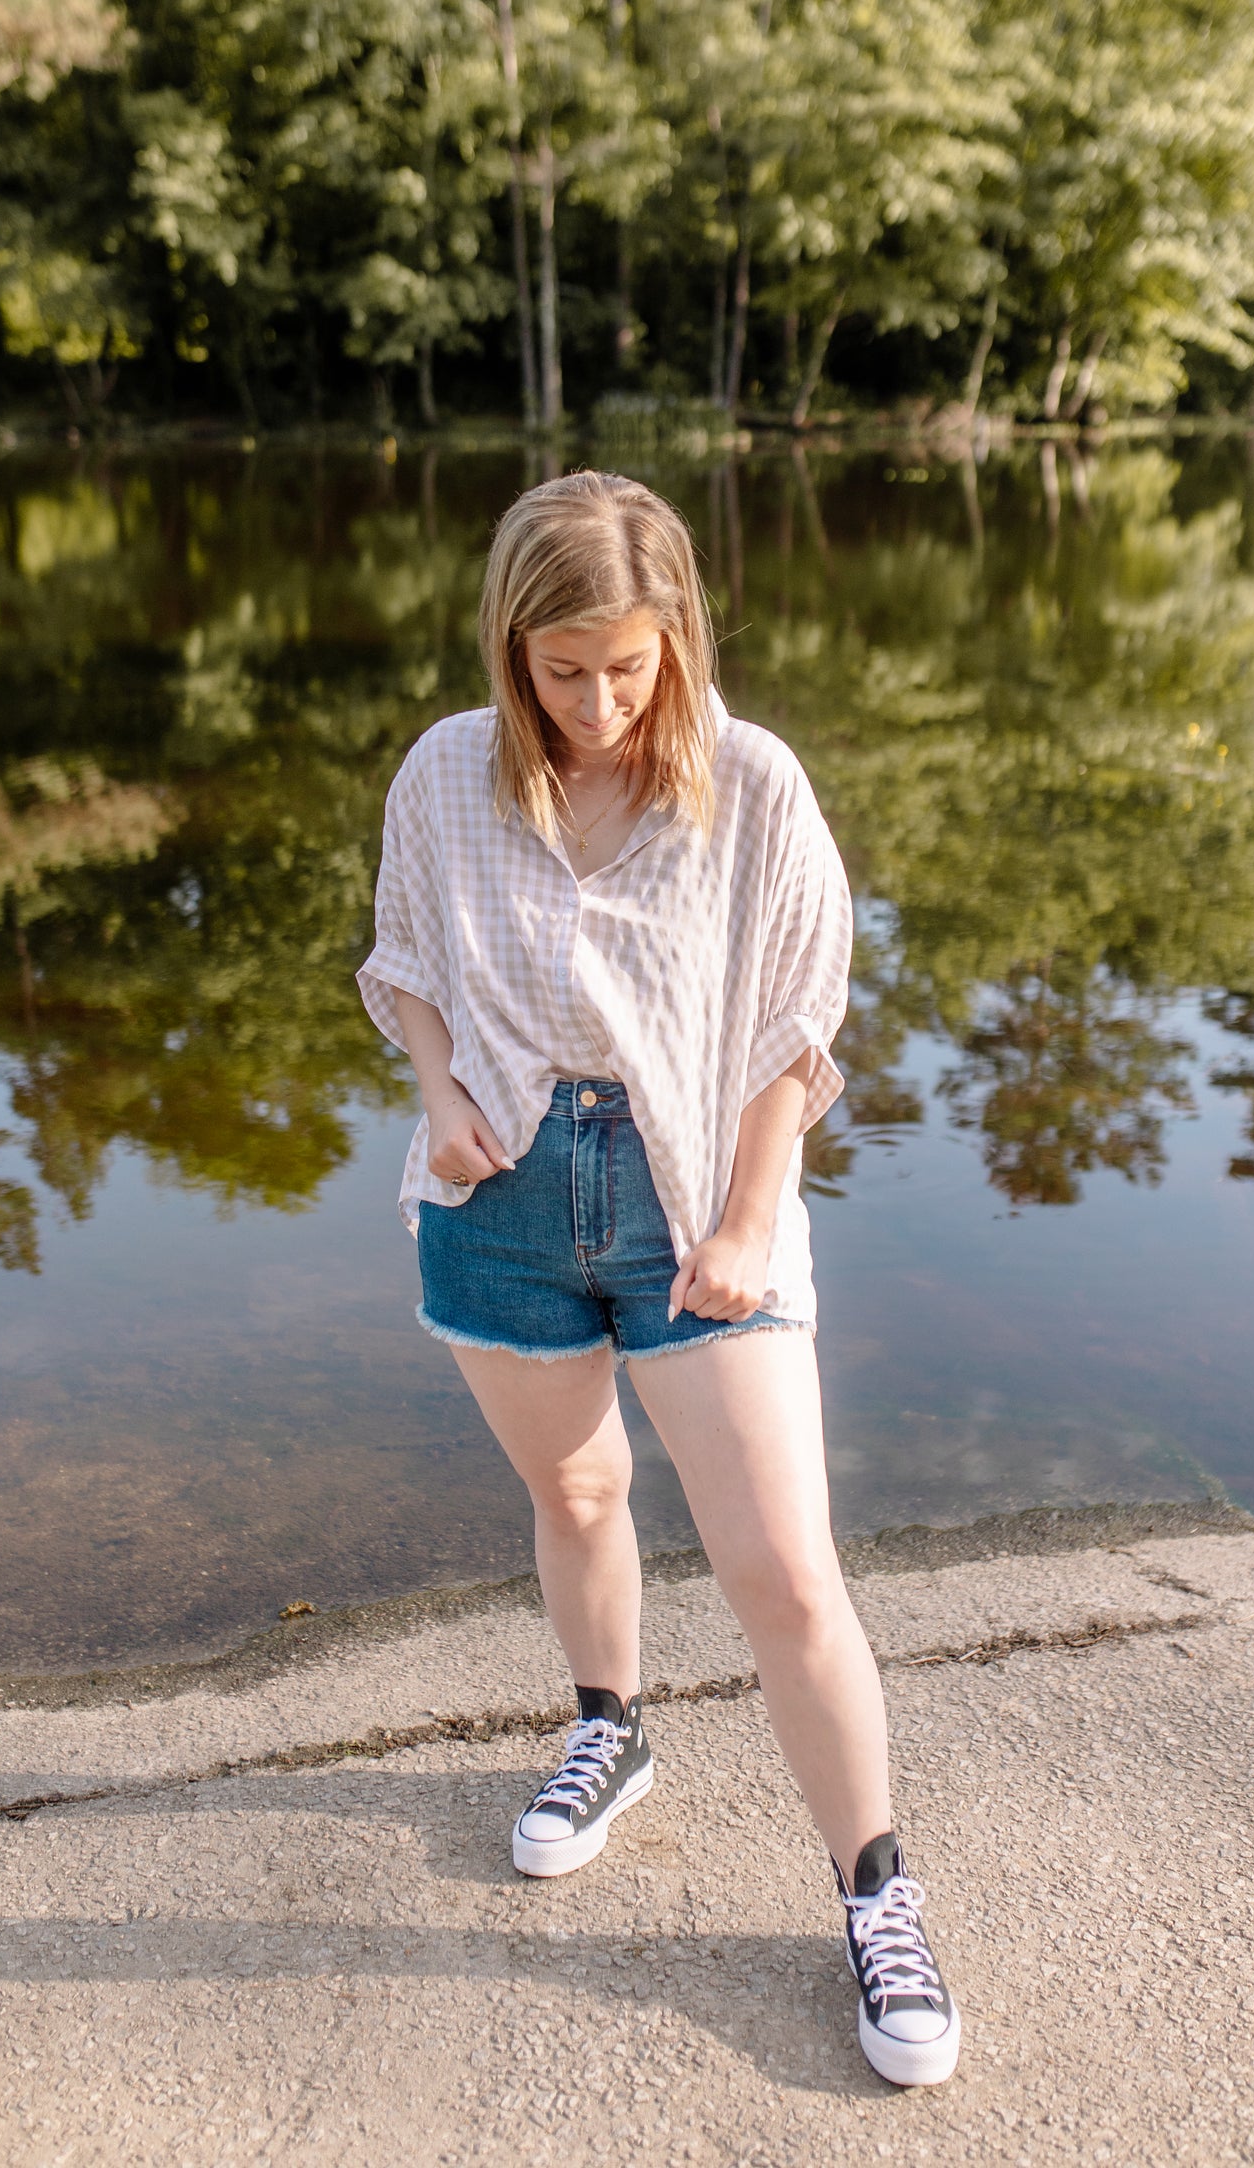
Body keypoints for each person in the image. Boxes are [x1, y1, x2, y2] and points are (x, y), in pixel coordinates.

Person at [357, 468, 960, 2089]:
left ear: (675, 634)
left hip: (696, 1198)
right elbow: (402, 955)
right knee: (573, 1493)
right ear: (508, 649)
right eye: (563, 671)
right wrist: (439, 1091)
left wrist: (757, 1218)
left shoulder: (751, 785)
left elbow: (795, 1017)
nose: (600, 703)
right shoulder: (443, 774)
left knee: (781, 1572)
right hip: (496, 1199)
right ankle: (607, 1726)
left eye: (629, 665)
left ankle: (876, 1888)